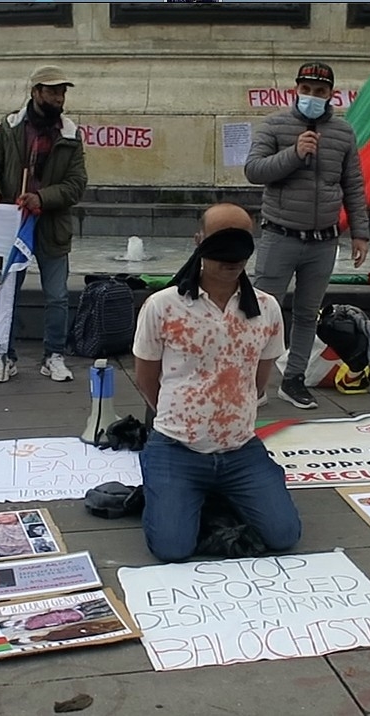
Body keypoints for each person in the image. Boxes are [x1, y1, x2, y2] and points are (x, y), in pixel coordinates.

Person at [132, 203, 300, 562]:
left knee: (284, 535)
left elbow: (260, 380)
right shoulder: (162, 306)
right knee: (172, 548)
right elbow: (146, 376)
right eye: (221, 244)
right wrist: (180, 419)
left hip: (240, 450)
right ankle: (169, 492)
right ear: (199, 242)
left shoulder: (267, 309)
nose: (232, 258)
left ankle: (212, 494)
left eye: (240, 245)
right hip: (176, 448)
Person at [245, 61, 370, 410]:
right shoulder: (275, 125)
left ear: (331, 94)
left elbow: (354, 185)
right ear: (295, 90)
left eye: (319, 92)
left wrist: (360, 233)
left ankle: (294, 379)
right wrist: (295, 153)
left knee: (306, 313)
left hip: (323, 240)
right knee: (262, 312)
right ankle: (252, 384)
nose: (312, 97)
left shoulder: (344, 133)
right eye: (306, 90)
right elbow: (254, 171)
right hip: (280, 236)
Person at [0, 64, 88, 384]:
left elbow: (76, 184)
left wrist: (42, 198)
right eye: (52, 91)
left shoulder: (70, 134)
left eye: (62, 92)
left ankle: (53, 355)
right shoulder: (11, 127)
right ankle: (3, 356)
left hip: (51, 226)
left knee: (56, 296)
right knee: (7, 294)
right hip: (13, 226)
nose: (59, 97)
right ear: (36, 92)